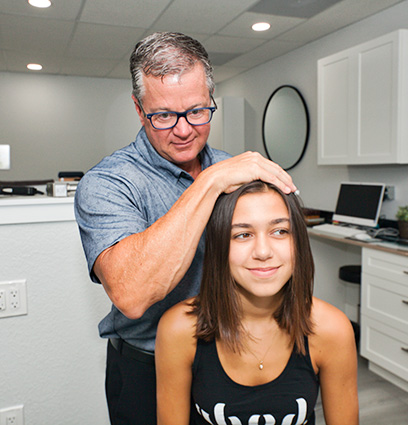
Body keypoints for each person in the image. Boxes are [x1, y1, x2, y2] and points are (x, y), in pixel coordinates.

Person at [74, 32, 296, 425]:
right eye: (163, 115)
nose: (183, 130)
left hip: (232, 356)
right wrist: (210, 183)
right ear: (139, 110)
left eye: (197, 111)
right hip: (146, 365)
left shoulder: (235, 170)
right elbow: (132, 293)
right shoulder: (108, 183)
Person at [156, 180, 359, 425]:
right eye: (242, 234)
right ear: (219, 246)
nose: (263, 252)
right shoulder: (178, 329)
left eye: (280, 231)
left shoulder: (332, 329)